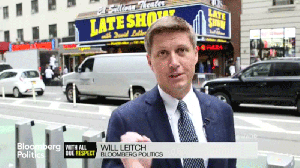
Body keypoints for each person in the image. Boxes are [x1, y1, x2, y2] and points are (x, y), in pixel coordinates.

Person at [102, 16, 236, 168]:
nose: (174, 63)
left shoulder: (223, 112)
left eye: (181, 50)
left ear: (195, 54)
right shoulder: (124, 119)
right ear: (150, 62)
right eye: (163, 53)